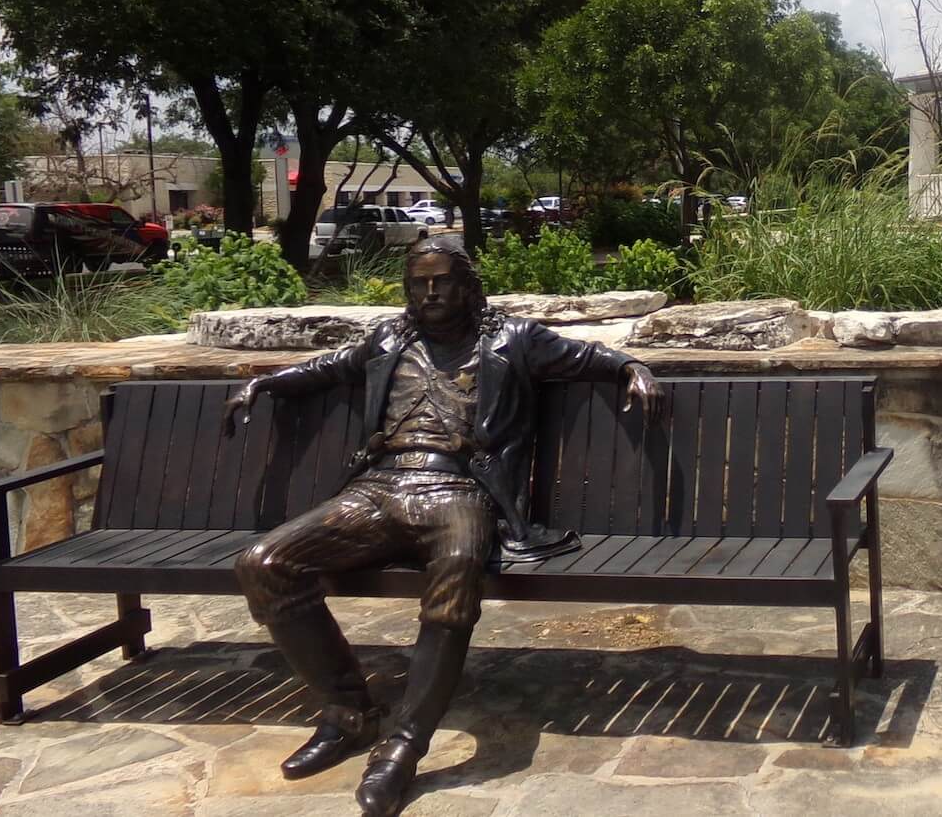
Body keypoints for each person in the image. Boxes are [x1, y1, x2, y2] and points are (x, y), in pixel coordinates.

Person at [221, 238, 662, 817]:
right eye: (418, 283)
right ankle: (347, 711)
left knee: (456, 572)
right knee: (264, 562)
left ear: (467, 286)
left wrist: (632, 365)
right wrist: (265, 382)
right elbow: (327, 369)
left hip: (463, 490)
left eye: (442, 282)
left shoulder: (514, 339)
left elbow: (586, 358)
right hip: (377, 489)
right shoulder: (386, 338)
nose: (429, 293)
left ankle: (403, 748)